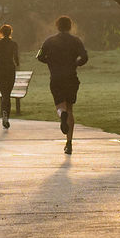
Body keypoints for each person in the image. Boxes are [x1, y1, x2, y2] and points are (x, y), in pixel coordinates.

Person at [35, 16, 89, 155]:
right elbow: (84, 57)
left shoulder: (49, 41)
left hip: (56, 78)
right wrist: (76, 63)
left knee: (60, 106)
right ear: (70, 26)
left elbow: (39, 56)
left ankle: (61, 115)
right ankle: (69, 143)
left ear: (57, 26)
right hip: (71, 77)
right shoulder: (76, 41)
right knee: (70, 108)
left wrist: (50, 62)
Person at [0, 24, 21, 129]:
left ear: (1, 32)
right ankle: (7, 117)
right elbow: (17, 61)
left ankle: (4, 115)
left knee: (4, 95)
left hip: (1, 71)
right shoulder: (14, 44)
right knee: (8, 95)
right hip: (10, 70)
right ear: (10, 32)